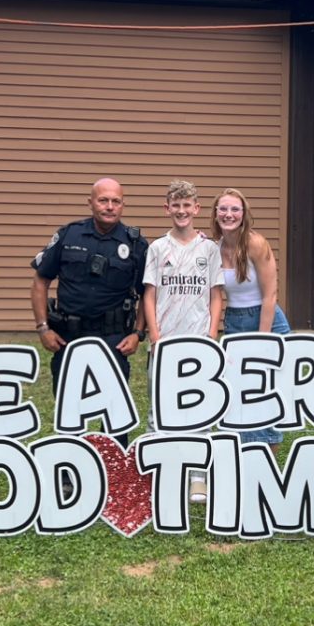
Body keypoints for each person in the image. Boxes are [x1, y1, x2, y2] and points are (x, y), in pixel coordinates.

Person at [31, 178, 149, 423]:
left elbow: (147, 292)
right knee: (68, 411)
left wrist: (137, 333)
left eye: (115, 201)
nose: (109, 206)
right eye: (103, 200)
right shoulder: (68, 235)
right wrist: (43, 328)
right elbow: (40, 281)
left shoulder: (135, 243)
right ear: (90, 203)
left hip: (114, 338)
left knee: (115, 415)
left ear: (123, 205)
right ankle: (71, 460)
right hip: (68, 336)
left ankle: (114, 460)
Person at [142, 180, 224, 501]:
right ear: (167, 209)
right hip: (165, 341)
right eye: (175, 205)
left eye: (187, 205)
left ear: (196, 209)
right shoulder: (158, 248)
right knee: (159, 408)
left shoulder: (209, 249)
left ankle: (198, 477)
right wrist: (155, 335)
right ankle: (158, 470)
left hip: (198, 340)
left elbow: (216, 295)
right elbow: (149, 294)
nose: (181, 211)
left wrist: (212, 333)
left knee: (199, 409)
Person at [211, 187, 289, 451]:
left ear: (244, 215)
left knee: (265, 390)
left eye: (235, 209)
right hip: (235, 321)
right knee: (238, 391)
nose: (228, 214)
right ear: (215, 213)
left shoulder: (255, 243)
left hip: (266, 320)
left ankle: (267, 454)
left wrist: (262, 341)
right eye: (223, 209)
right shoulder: (214, 248)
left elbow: (271, 295)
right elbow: (218, 296)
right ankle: (245, 453)